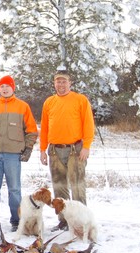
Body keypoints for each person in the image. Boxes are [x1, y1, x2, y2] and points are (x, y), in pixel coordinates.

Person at [0, 75, 38, 232]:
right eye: (2, 86)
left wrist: (28, 148)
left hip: (13, 155)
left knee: (15, 189)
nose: (5, 89)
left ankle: (17, 220)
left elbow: (31, 130)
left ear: (13, 88)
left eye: (8, 86)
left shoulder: (22, 106)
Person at [40, 70, 95, 231]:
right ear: (54, 83)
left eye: (64, 81)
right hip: (55, 150)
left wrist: (86, 146)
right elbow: (44, 128)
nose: (61, 84)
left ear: (70, 83)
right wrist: (42, 149)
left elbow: (88, 124)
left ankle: (81, 221)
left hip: (75, 149)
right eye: (58, 81)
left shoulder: (80, 100)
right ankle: (64, 220)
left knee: (77, 185)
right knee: (59, 186)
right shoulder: (49, 102)